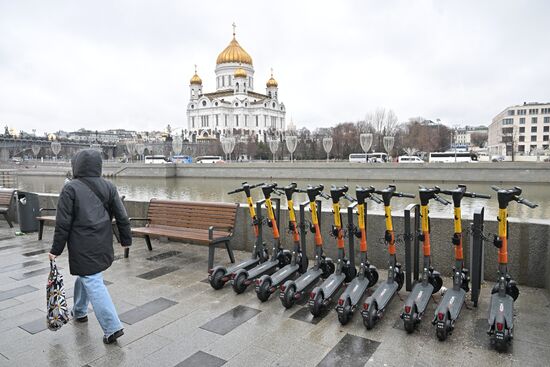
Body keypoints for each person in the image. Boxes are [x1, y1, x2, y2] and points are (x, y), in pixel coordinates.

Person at [48, 149, 132, 344]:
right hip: (102, 241)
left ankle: (112, 327)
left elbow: (63, 223)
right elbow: (121, 216)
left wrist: (55, 250)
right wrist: (125, 240)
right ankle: (79, 311)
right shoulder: (109, 186)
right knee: (88, 274)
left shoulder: (70, 189)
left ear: (75, 165)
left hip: (82, 243)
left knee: (92, 279)